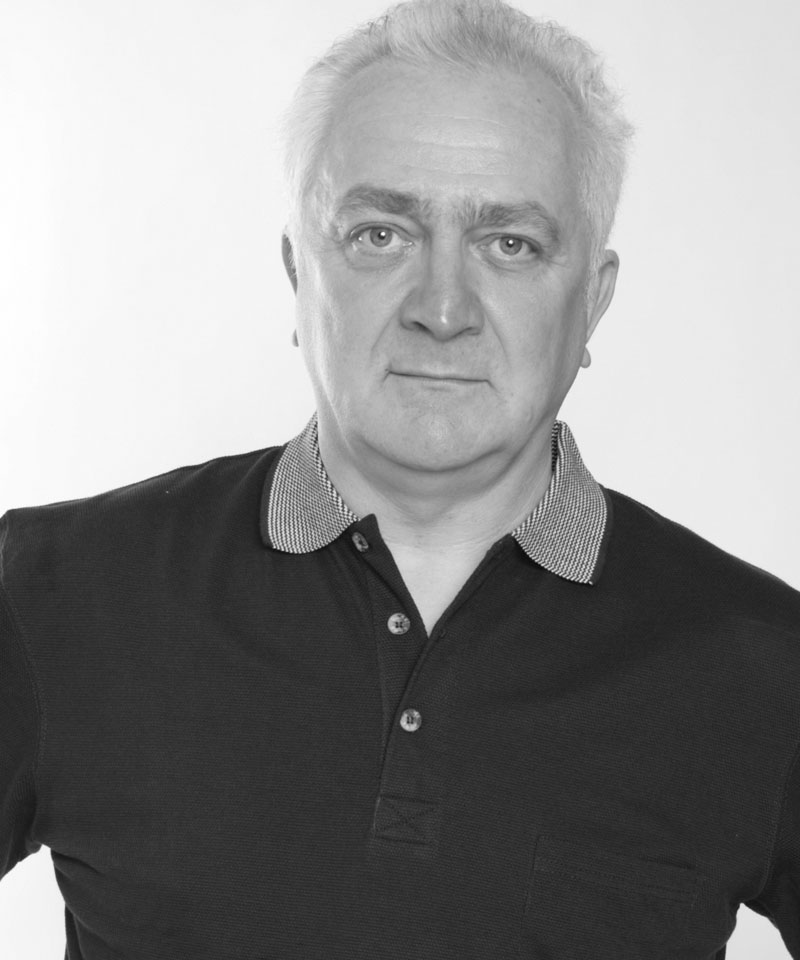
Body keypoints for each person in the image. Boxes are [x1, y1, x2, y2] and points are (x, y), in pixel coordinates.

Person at [1, 0, 799, 957]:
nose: (443, 308)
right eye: (381, 234)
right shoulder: (50, 592)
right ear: (298, 275)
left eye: (511, 244)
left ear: (593, 302)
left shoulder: (766, 665)